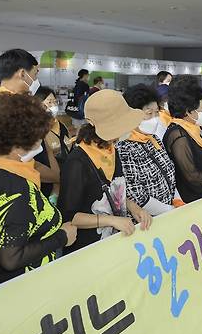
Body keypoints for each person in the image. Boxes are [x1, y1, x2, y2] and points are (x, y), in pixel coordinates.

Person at [0, 93, 77, 284]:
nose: (40, 142)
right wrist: (62, 237)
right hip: (20, 283)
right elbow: (11, 258)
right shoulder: (16, 187)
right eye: (37, 136)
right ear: (17, 142)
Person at [58, 90, 152, 255]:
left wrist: (135, 208)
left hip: (115, 242)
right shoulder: (77, 162)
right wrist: (111, 220)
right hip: (89, 250)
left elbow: (113, 190)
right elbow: (69, 216)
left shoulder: (111, 149)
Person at [117, 85, 179, 216]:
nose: (155, 118)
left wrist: (175, 200)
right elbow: (135, 194)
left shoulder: (153, 139)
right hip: (147, 220)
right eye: (149, 113)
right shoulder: (125, 148)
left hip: (168, 212)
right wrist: (168, 210)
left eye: (157, 112)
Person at [33, 86, 72, 202]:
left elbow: (68, 146)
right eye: (49, 102)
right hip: (46, 184)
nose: (53, 106)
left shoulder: (62, 126)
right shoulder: (36, 130)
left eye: (55, 102)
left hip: (65, 179)